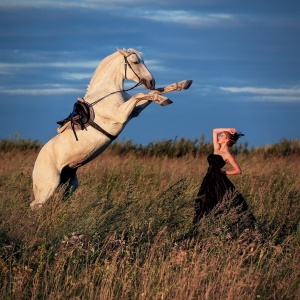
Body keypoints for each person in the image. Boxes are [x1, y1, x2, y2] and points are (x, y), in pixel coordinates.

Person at [193, 128, 255, 225]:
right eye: (220, 135)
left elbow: (238, 171)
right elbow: (214, 131)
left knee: (220, 203)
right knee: (203, 201)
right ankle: (203, 226)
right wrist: (228, 129)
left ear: (226, 140)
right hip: (208, 180)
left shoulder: (227, 155)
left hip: (218, 181)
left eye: (221, 136)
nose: (218, 137)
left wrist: (224, 172)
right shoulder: (216, 149)